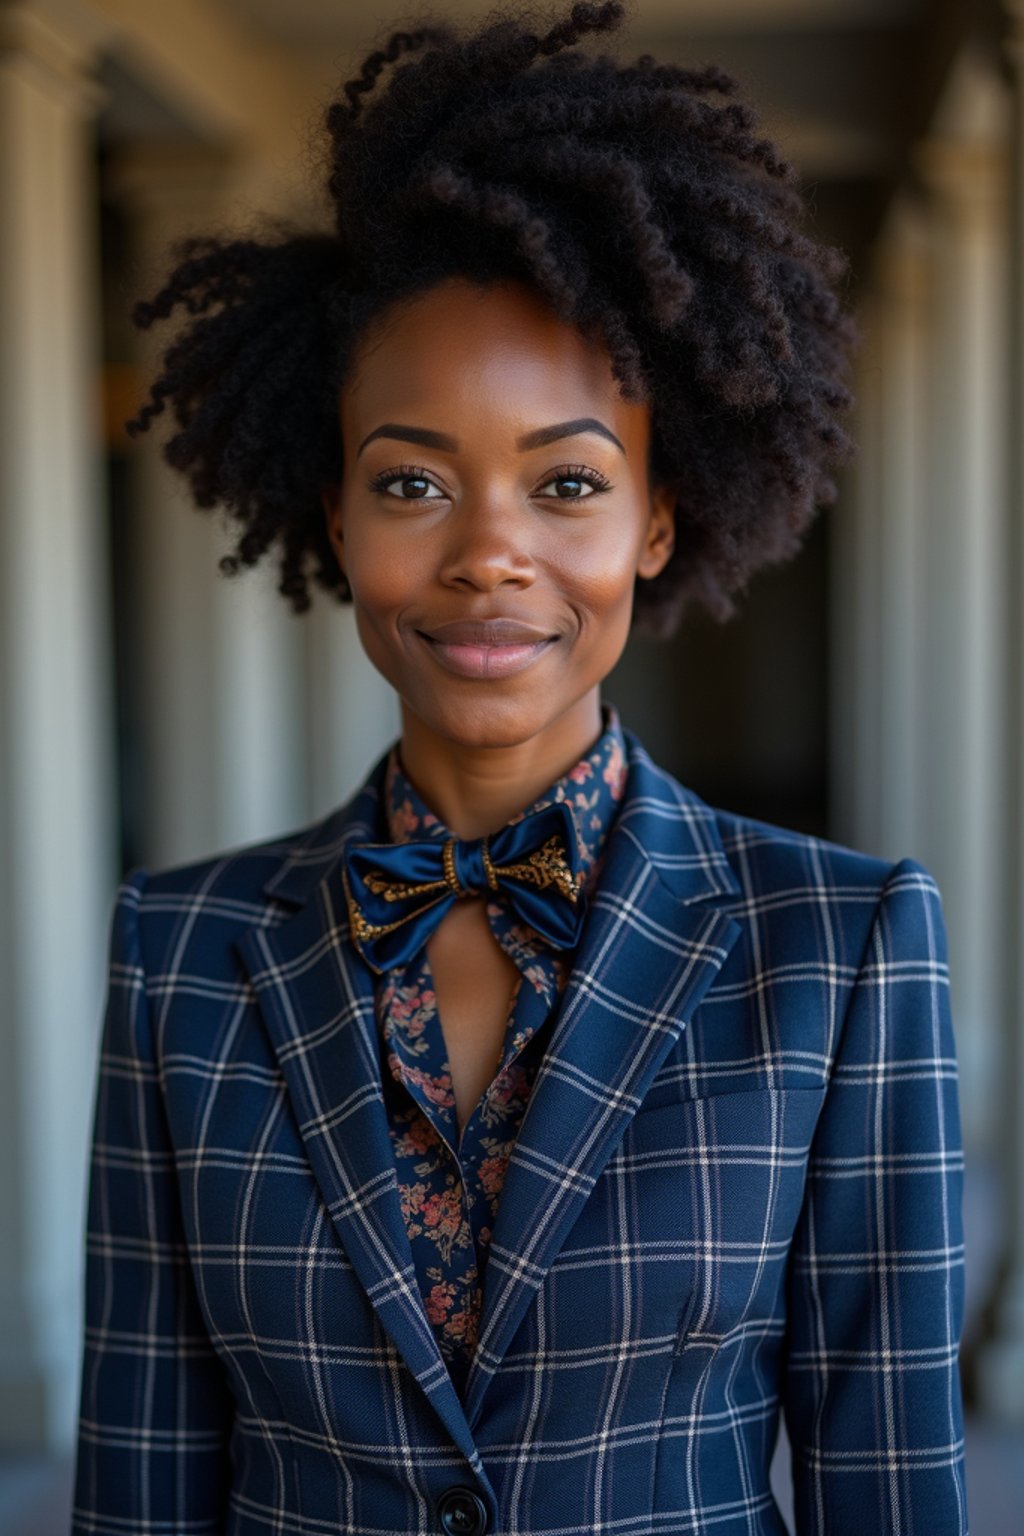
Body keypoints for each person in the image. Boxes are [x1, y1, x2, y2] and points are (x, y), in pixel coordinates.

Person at [70, 4, 968, 1533]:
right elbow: (142, 1485)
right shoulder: (182, 958)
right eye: (412, 480)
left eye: (567, 482)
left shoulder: (844, 948)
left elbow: (888, 1484)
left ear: (658, 524)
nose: (491, 553)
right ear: (337, 520)